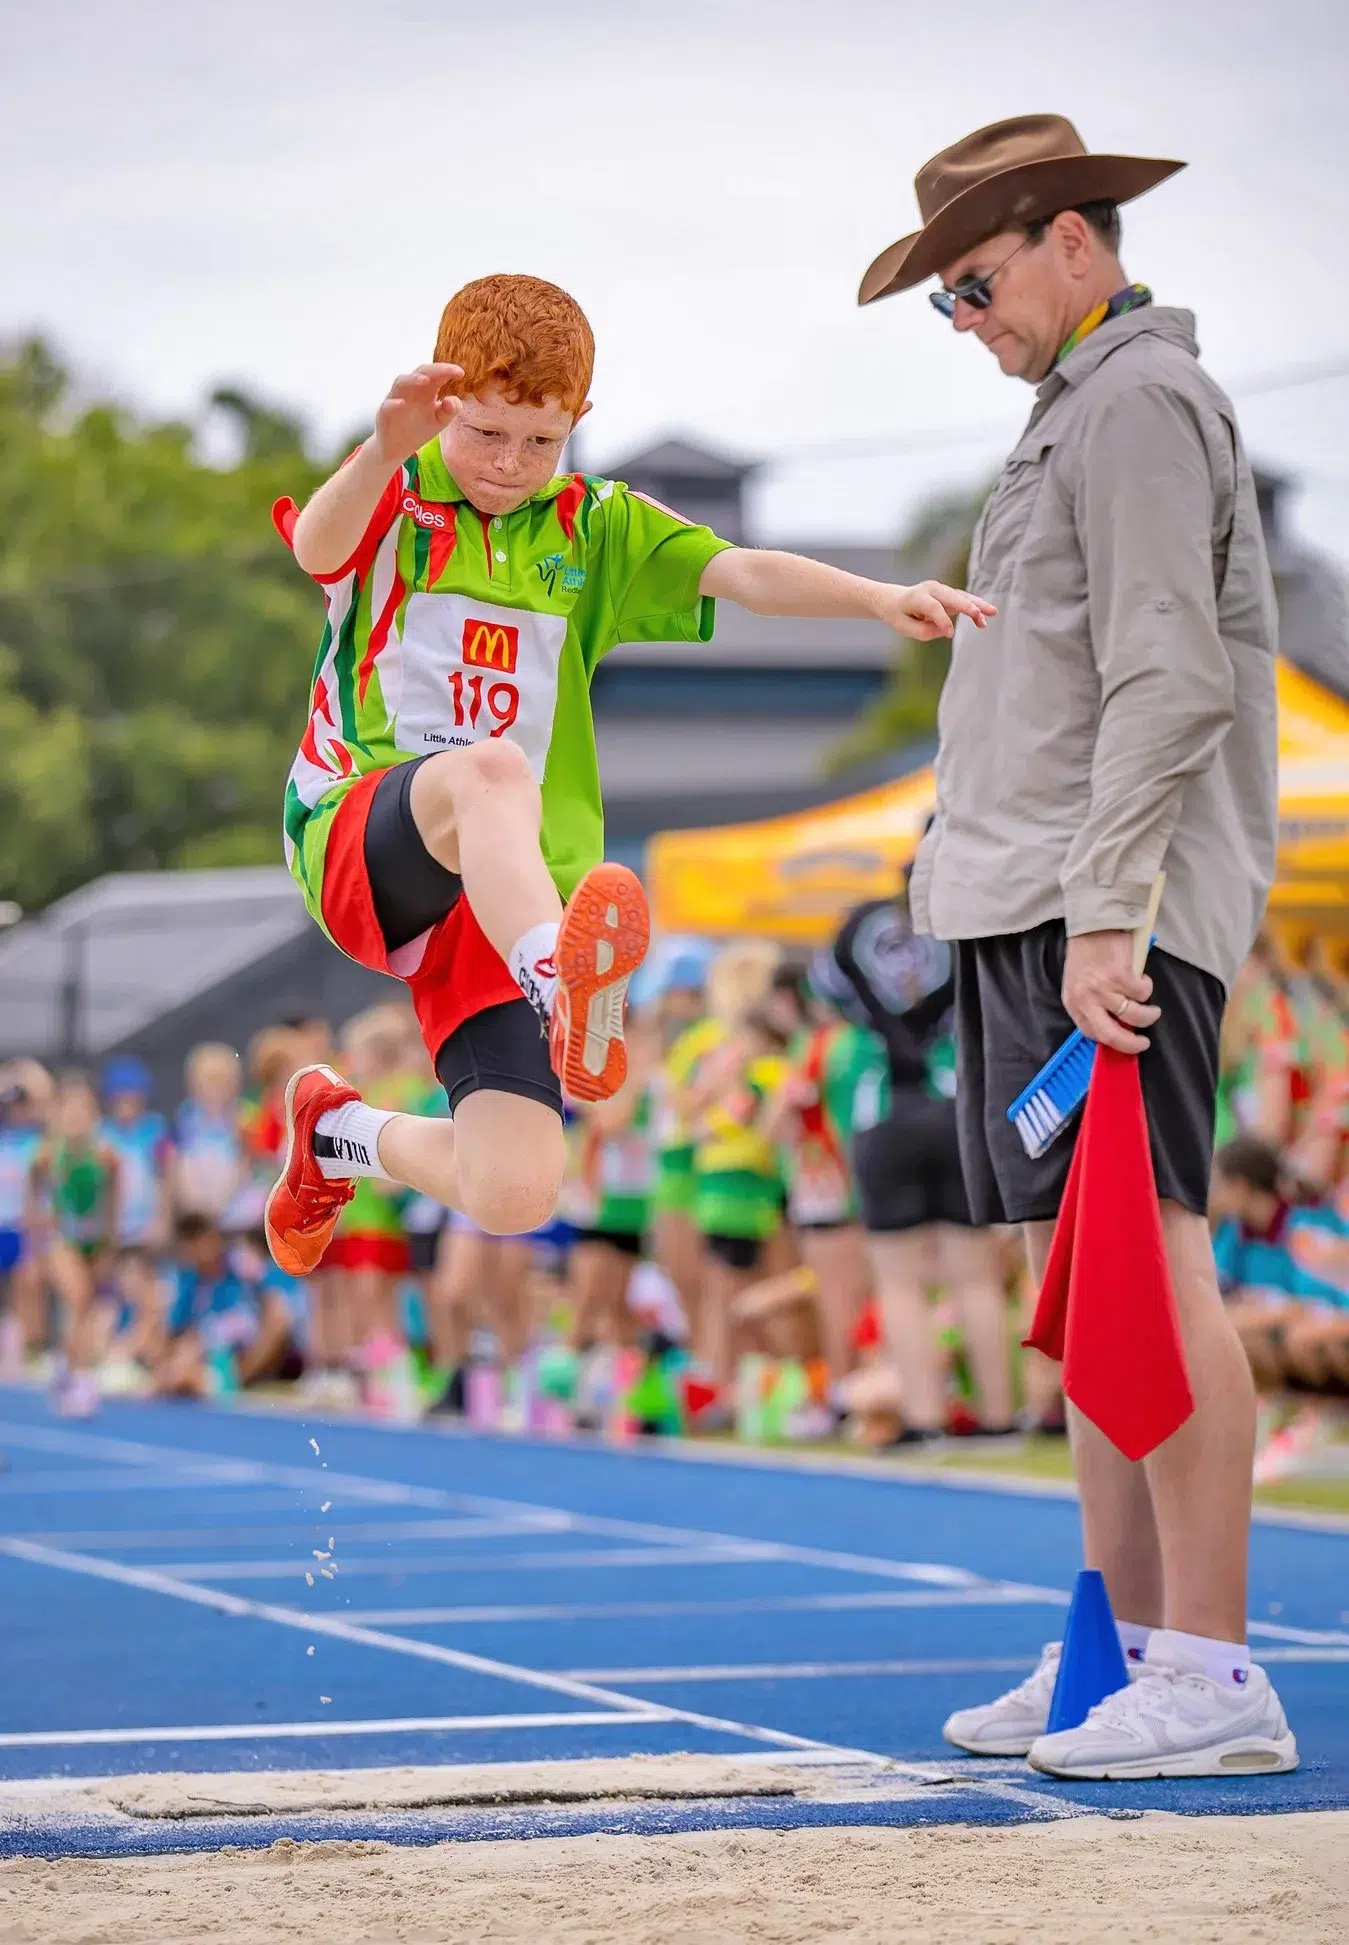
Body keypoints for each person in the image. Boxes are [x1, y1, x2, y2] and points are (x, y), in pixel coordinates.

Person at [262, 272, 993, 1283]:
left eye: (540, 441)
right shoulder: (395, 487)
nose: (510, 465)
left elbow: (740, 571)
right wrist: (386, 446)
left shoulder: (593, 527)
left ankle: (337, 1132)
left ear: (578, 423)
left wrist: (879, 599)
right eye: (484, 434)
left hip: (497, 899)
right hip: (361, 830)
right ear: (443, 406)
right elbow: (317, 545)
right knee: (487, 771)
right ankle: (558, 977)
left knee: (516, 1189)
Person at [860, 114, 1293, 1775]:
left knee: (1154, 1258)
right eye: (939, 303)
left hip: (1094, 910)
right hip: (1021, 902)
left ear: (1066, 238)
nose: (959, 322)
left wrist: (1104, 911)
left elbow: (1169, 677)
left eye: (965, 286)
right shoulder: (1070, 411)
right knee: (1083, 1280)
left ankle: (1207, 1668)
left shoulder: (1135, 402)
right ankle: (1116, 1652)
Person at [815, 886, 1013, 1443]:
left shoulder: (856, 925)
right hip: (954, 1103)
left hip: (883, 1109)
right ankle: (999, 1419)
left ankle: (924, 1419)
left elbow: (826, 990)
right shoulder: (964, 917)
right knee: (974, 1276)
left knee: (900, 1282)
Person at [27, 1072, 121, 1417]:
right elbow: (34, 1196)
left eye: (84, 1112)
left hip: (94, 1240)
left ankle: (64, 1365)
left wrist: (109, 1243)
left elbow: (113, 1199)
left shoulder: (106, 1155)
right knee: (78, 1298)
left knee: (84, 1307)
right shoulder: (48, 1155)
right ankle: (82, 1379)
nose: (77, 1119)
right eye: (70, 1112)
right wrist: (35, 1243)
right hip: (62, 1239)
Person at [151, 1214, 295, 1399]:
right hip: (213, 1356)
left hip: (247, 1357)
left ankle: (232, 1381)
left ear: (213, 1238)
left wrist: (242, 1372)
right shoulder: (191, 1281)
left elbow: (278, 1310)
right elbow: (174, 1332)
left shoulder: (242, 1264)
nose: (197, 1252)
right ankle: (206, 1380)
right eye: (190, 1246)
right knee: (181, 1359)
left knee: (278, 1320)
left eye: (200, 1242)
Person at [99, 1056, 171, 1254]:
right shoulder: (102, 1132)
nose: (126, 1106)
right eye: (120, 1100)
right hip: (114, 1227)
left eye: (132, 1099)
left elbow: (164, 1178)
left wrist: (162, 1219)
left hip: (148, 1226)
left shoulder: (156, 1128)